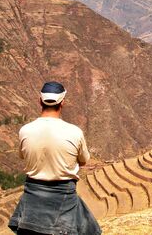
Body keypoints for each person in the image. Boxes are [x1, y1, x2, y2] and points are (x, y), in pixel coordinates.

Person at [8, 81, 102, 235]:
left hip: (32, 198)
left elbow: (22, 155)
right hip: (63, 197)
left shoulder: (25, 131)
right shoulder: (74, 132)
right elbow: (83, 160)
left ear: (40, 101)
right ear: (62, 102)